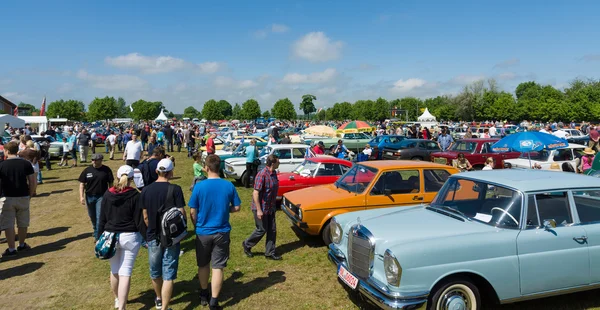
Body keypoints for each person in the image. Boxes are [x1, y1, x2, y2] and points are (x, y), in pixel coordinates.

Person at [189, 155, 241, 310]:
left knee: (203, 264)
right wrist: (226, 209)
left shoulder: (199, 186)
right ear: (220, 167)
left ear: (206, 167)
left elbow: (193, 211)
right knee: (218, 266)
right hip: (221, 231)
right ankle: (214, 300)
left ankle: (204, 292)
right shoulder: (228, 186)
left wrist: (196, 225)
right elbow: (237, 207)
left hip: (203, 231)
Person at [139, 158, 186, 310]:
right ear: (171, 172)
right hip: (171, 237)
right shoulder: (175, 189)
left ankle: (159, 298)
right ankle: (165, 307)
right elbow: (181, 212)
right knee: (169, 271)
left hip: (153, 235)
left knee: (155, 270)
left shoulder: (146, 190)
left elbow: (145, 216)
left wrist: (151, 227)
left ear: (156, 172)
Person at [98, 165, 143, 310]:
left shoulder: (107, 194)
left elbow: (102, 218)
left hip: (110, 236)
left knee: (114, 270)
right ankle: (122, 306)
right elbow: (139, 220)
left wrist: (99, 236)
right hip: (130, 236)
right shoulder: (135, 195)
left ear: (117, 177)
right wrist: (147, 236)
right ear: (131, 179)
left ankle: (118, 300)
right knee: (125, 272)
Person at [0, 141, 36, 257]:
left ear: (7, 151)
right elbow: (32, 181)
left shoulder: (2, 165)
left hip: (6, 197)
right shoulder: (26, 164)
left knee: (8, 224)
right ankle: (21, 244)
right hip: (23, 196)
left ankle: (11, 249)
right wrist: (30, 194)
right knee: (23, 222)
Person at [242, 154, 281, 261]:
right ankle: (247, 244)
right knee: (262, 229)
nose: (279, 163)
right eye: (278, 162)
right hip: (261, 208)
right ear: (273, 163)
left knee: (272, 230)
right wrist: (259, 210)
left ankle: (270, 252)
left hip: (270, 207)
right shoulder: (262, 174)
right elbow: (255, 193)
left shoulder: (274, 174)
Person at [79, 154, 114, 240]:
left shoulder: (106, 170)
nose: (93, 161)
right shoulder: (87, 170)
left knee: (99, 216)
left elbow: (111, 184)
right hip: (89, 197)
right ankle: (95, 231)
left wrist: (111, 195)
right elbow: (82, 184)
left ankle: (98, 237)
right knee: (92, 216)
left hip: (101, 197)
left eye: (95, 160)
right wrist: (81, 197)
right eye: (92, 160)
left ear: (101, 160)